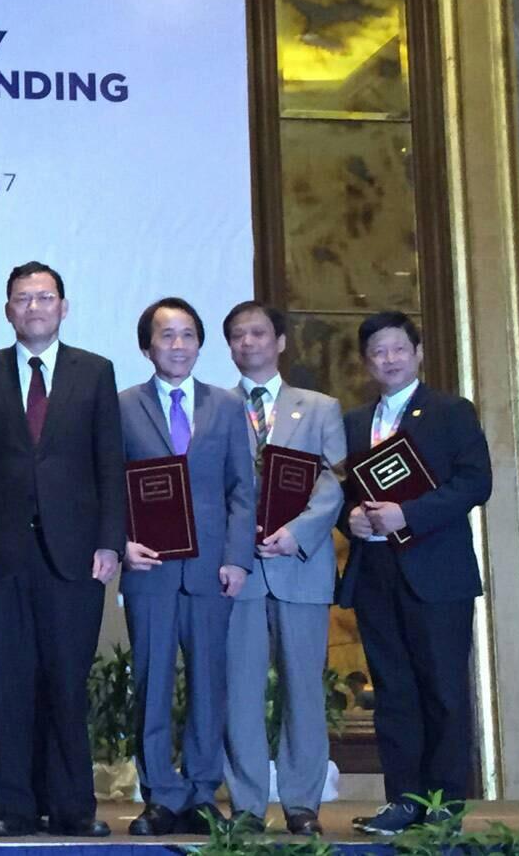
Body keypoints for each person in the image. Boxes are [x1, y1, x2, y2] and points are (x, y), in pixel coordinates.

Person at [0, 261, 124, 838]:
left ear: (63, 306)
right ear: (8, 309)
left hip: (75, 553)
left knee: (65, 679)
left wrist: (110, 541)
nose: (34, 307)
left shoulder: (95, 372)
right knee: (6, 681)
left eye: (44, 297)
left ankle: (74, 806)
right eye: (23, 298)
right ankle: (11, 806)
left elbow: (109, 463)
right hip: (0, 554)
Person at [340, 311, 491, 835]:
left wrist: (410, 514)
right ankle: (403, 801)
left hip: (437, 572)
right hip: (377, 571)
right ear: (366, 362)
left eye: (398, 349)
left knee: (443, 689)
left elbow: (475, 483)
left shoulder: (451, 412)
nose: (389, 359)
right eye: (378, 352)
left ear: (418, 352)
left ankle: (445, 805)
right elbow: (343, 493)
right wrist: (352, 518)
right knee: (394, 691)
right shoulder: (356, 422)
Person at [118, 297, 255, 836]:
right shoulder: (122, 405)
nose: (178, 346)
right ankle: (160, 795)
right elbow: (107, 485)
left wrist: (237, 559)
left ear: (200, 344)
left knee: (208, 684)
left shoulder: (225, 405)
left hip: (211, 571)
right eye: (167, 336)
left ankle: (201, 792)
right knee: (151, 683)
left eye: (188, 336)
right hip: (148, 569)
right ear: (147, 345)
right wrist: (121, 541)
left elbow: (243, 490)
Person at [219, 302, 345, 835]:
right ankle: (247, 803)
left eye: (258, 333)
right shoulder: (215, 407)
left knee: (304, 689)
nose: (248, 343)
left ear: (281, 341)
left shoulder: (319, 407)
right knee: (240, 690)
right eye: (237, 336)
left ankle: (301, 803)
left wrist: (296, 533)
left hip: (300, 564)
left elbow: (335, 481)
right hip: (240, 571)